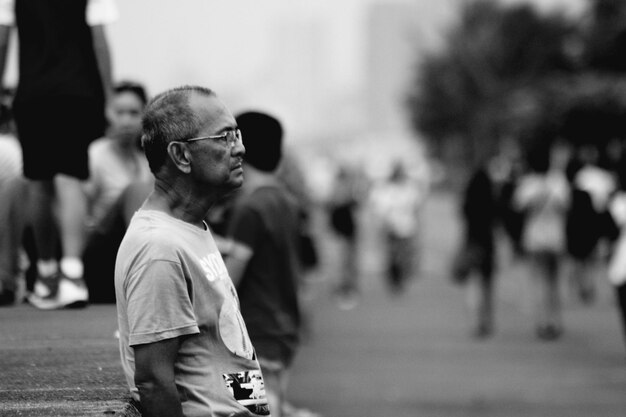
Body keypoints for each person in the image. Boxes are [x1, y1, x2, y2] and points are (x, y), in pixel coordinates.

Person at [115, 86, 270, 417]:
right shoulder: (159, 248)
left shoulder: (190, 227)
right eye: (225, 137)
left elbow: (225, 349)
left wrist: (256, 410)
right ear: (181, 155)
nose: (240, 148)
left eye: (237, 134)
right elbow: (154, 381)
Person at [0, 0, 118, 309]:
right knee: (70, 178)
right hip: (78, 92)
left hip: (33, 93)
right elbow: (99, 41)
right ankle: (72, 274)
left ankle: (46, 274)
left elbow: (2, 37)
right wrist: (108, 98)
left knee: (38, 179)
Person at [224, 111, 315, 417]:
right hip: (283, 326)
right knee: (268, 400)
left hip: (252, 331)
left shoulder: (249, 207)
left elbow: (229, 281)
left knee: (254, 409)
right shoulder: (286, 201)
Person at [514, 141, 571, 341]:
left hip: (535, 239)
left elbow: (517, 206)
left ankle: (542, 321)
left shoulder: (528, 183)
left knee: (538, 282)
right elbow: (566, 206)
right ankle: (556, 320)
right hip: (555, 239)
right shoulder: (558, 182)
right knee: (554, 282)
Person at [451, 164, 498, 338]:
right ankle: (487, 318)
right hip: (487, 245)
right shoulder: (491, 200)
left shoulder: (468, 201)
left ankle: (474, 321)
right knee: (487, 285)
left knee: (472, 285)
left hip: (471, 243)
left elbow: (461, 217)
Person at [371, 159, 427, 294]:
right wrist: (382, 226)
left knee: (406, 255)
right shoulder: (385, 190)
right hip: (391, 229)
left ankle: (402, 277)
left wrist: (418, 227)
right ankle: (395, 280)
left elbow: (416, 208)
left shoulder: (410, 188)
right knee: (393, 256)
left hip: (407, 228)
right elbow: (380, 210)